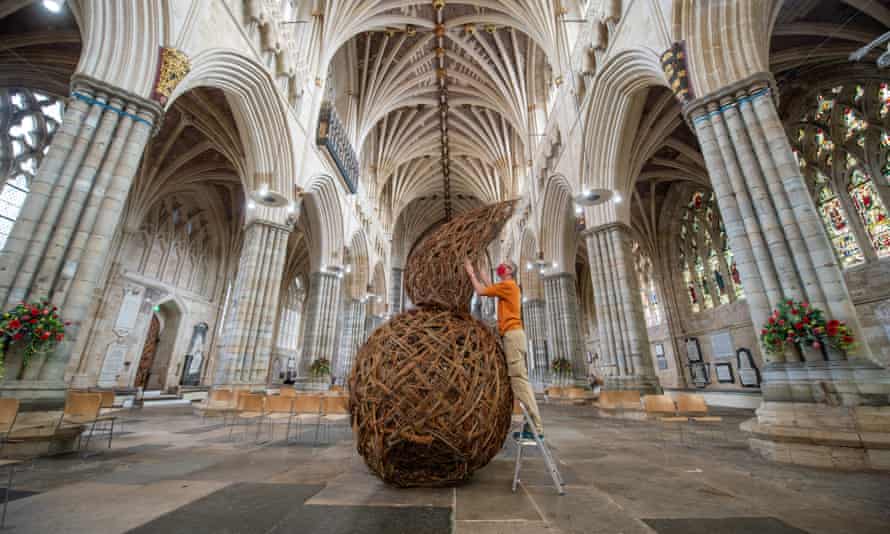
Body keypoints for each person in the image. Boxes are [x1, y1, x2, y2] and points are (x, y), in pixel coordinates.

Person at [464, 258, 544, 440]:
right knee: (517, 381)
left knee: (519, 381)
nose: (501, 266)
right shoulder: (507, 287)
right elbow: (491, 288)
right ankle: (530, 426)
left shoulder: (509, 285)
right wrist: (483, 274)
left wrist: (471, 274)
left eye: (505, 266)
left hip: (513, 336)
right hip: (513, 336)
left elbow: (482, 291)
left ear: (510, 271)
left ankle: (537, 428)